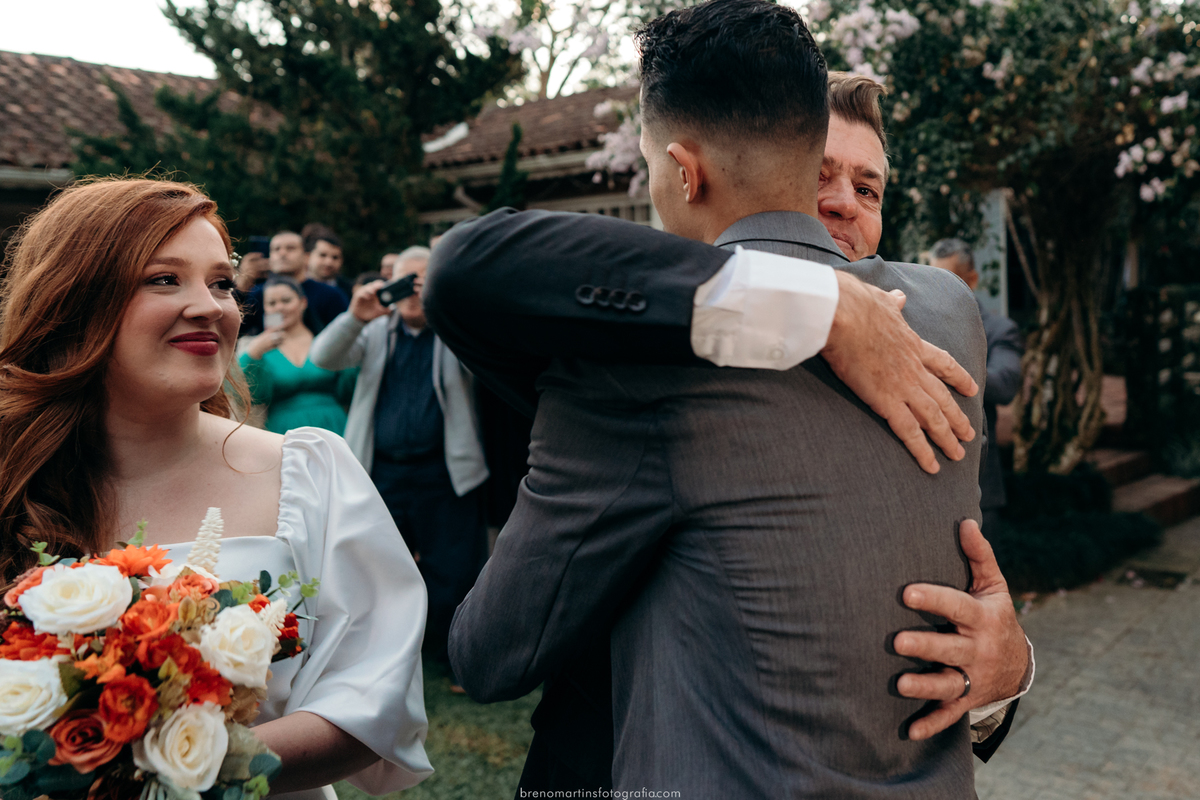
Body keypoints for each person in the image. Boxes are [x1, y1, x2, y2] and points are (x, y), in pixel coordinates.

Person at [430, 1, 1029, 795]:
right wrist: (814, 305)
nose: (843, 205)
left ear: (683, 172)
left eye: (869, 187)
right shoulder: (944, 315)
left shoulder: (630, 376)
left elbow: (487, 654)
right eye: (820, 178)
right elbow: (484, 270)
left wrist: (1012, 666)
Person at [0, 178, 432, 799]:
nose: (211, 306)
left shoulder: (308, 471)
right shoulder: (16, 477)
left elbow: (371, 697)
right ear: (75, 301)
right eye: (164, 279)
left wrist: (163, 767)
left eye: (222, 282)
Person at [309, 245, 489, 680]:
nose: (412, 292)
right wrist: (356, 315)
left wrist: (448, 306)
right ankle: (378, 655)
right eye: (404, 281)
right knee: (375, 566)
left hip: (444, 471)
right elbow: (323, 357)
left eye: (422, 282)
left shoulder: (453, 332)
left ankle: (453, 657)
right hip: (382, 470)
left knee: (454, 568)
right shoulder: (375, 332)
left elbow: (486, 355)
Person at [931, 239, 1024, 532]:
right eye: (932, 280)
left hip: (979, 485)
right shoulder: (920, 325)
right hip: (927, 486)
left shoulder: (998, 330)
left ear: (971, 280)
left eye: (948, 280)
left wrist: (944, 362)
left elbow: (1005, 384)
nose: (937, 291)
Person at [238, 275, 358, 435]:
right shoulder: (257, 349)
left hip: (333, 425)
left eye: (286, 301)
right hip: (283, 430)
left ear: (303, 302)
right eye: (272, 303)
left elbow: (349, 386)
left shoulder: (326, 341)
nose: (279, 307)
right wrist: (254, 352)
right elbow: (243, 396)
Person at [239, 231, 348, 337]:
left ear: (306, 256)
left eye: (290, 248)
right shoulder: (257, 294)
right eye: (276, 249)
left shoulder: (331, 295)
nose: (282, 253)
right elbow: (235, 329)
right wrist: (241, 284)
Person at [306, 229, 354, 301]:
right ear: (307, 257)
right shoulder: (295, 286)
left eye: (335, 257)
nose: (329, 262)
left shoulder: (350, 291)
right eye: (323, 255)